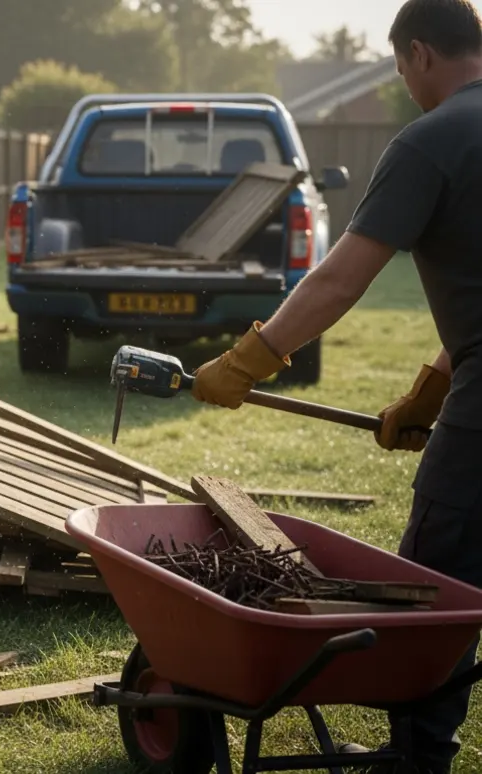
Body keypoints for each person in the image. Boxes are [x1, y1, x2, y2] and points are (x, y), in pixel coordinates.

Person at [190, 0, 482, 771]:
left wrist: (249, 358)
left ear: (418, 54)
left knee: (435, 590)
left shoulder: (434, 139)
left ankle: (418, 757)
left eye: (398, 68)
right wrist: (430, 394)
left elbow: (339, 279)